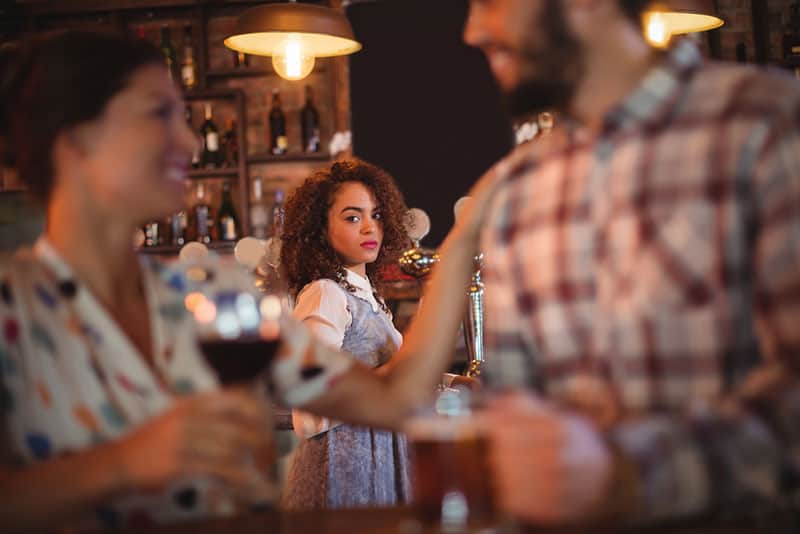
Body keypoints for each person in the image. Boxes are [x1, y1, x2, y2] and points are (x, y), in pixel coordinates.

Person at [0, 29, 502, 531]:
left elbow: (394, 398)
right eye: (159, 114)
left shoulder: (212, 298)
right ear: (77, 140)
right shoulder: (13, 308)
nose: (189, 140)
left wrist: (460, 245)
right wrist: (128, 463)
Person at [461, 0, 800, 525]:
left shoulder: (769, 122)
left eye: (489, 2)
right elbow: (517, 411)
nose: (472, 31)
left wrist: (626, 474)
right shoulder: (518, 190)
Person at [279, 159, 411, 509]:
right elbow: (307, 411)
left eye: (377, 215)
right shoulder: (326, 293)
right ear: (320, 229)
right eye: (353, 217)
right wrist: (388, 383)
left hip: (379, 457)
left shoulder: (363, 292)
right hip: (344, 470)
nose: (370, 227)